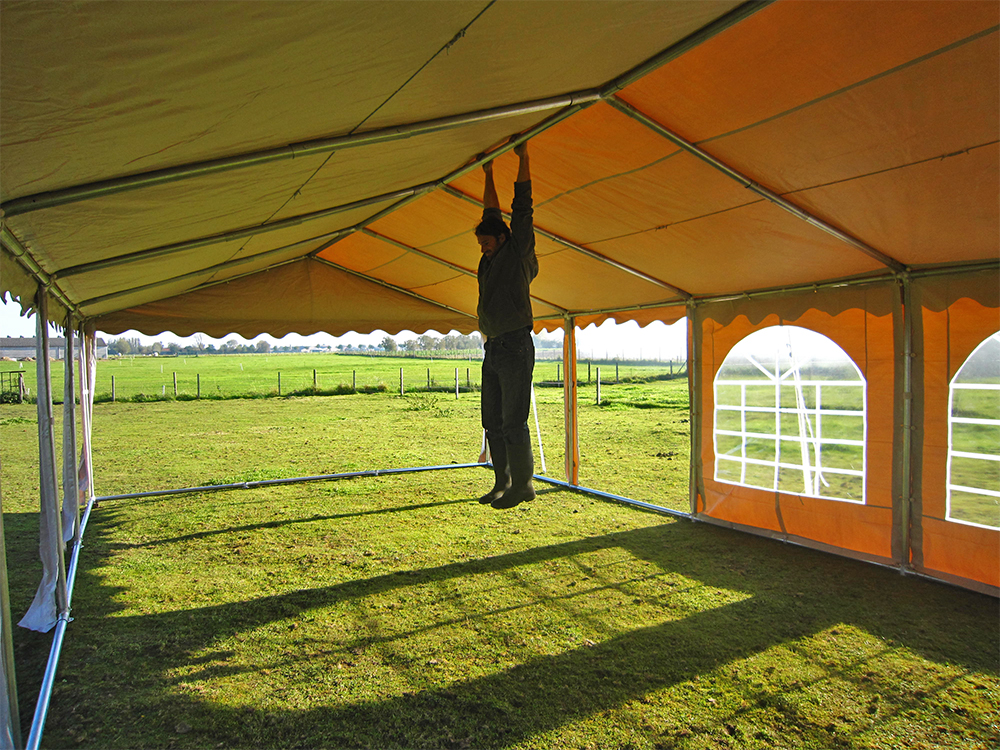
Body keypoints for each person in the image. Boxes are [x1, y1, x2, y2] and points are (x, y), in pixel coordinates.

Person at [475, 140, 538, 510]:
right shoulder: (490, 256)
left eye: (486, 243)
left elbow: (521, 210)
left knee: (513, 420)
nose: (483, 249)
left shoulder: (517, 252)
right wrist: (487, 173)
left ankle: (523, 485)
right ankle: (503, 482)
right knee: (492, 420)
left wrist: (523, 158)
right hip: (494, 347)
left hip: (514, 345)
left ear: (502, 239)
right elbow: (491, 213)